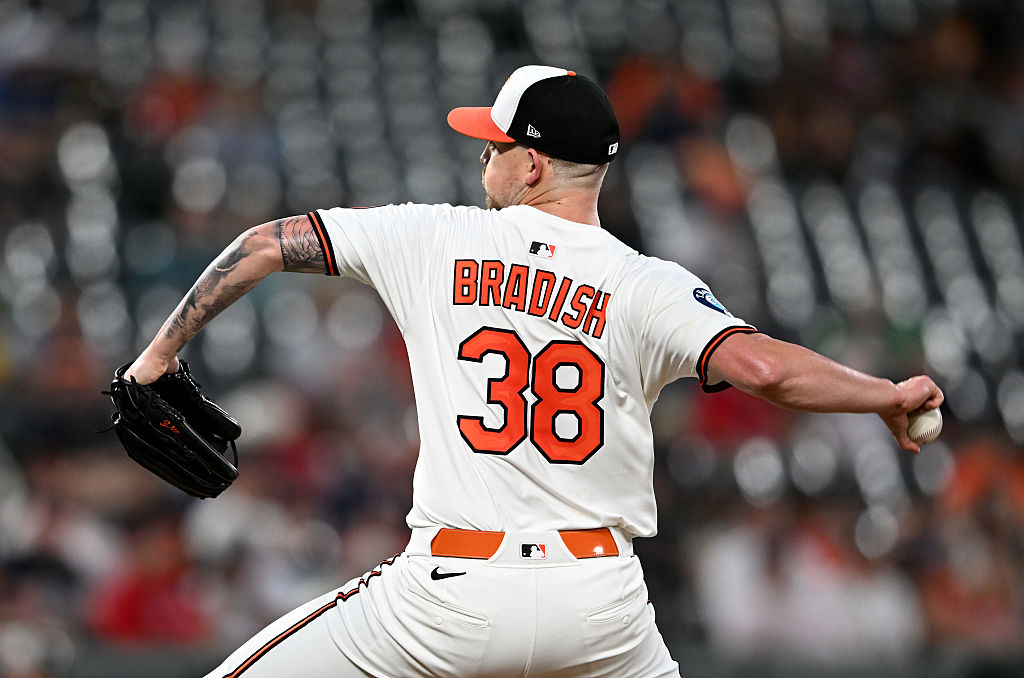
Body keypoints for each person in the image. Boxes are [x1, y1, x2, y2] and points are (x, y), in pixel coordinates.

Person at [123, 65, 943, 678]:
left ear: (533, 167)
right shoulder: (645, 283)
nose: (483, 156)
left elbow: (267, 243)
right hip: (601, 608)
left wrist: (157, 359)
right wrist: (885, 395)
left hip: (448, 596)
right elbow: (768, 368)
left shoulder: (434, 238)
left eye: (494, 143)